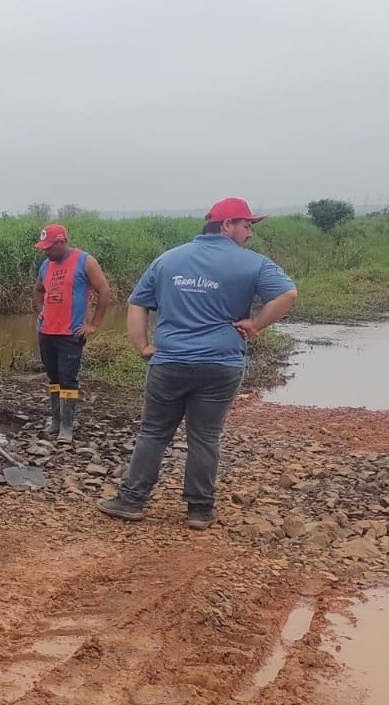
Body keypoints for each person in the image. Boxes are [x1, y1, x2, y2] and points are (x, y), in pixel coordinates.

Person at [98, 197, 297, 530]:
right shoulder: (253, 263)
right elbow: (288, 294)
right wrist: (255, 325)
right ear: (226, 225)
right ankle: (200, 511)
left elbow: (137, 304)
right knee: (205, 436)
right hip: (221, 365)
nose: (249, 233)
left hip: (170, 362)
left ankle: (131, 501)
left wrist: (143, 346)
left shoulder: (168, 260)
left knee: (153, 433)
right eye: (246, 225)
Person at [32, 223, 112, 443]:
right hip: (46, 331)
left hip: (71, 333)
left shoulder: (85, 261)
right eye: (43, 248)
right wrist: (41, 310)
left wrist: (94, 324)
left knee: (68, 379)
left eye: (49, 247)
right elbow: (38, 291)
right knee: (54, 377)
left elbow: (104, 291)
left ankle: (67, 427)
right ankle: (55, 421)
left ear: (61, 242)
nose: (46, 251)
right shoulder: (46, 265)